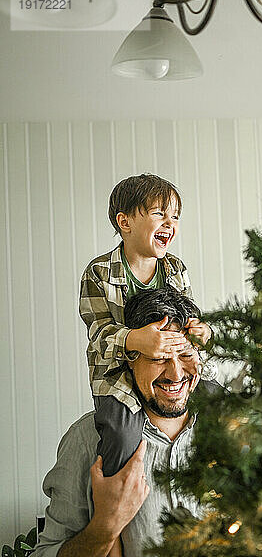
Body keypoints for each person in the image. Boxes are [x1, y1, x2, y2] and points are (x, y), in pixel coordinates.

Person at [35, 286, 217, 557]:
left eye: (187, 354)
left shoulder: (233, 428)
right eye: (159, 357)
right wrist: (106, 526)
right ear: (130, 359)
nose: (176, 373)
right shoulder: (88, 439)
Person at [79, 173, 213, 479]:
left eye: (175, 216)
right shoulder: (99, 272)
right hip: (116, 376)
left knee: (220, 403)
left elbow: (190, 318)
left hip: (172, 363)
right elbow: (98, 334)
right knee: (121, 434)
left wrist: (201, 332)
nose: (170, 223)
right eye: (159, 214)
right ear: (125, 223)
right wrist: (136, 340)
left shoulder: (176, 269)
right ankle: (117, 496)